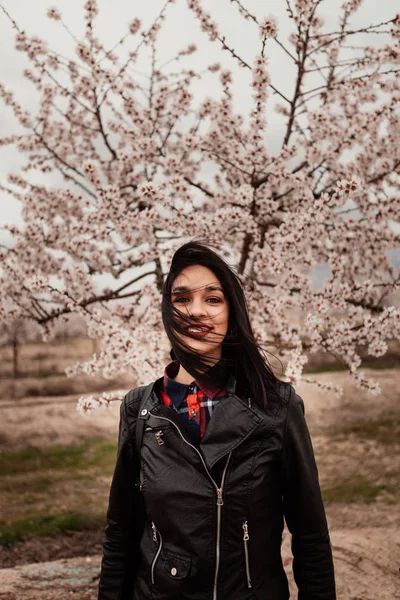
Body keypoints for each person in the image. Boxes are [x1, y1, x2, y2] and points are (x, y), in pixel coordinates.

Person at [98, 239, 336, 600]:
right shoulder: (139, 409)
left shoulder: (278, 408)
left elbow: (310, 536)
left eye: (212, 299)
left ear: (231, 313)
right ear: (167, 311)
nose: (196, 311)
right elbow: (121, 531)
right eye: (181, 299)